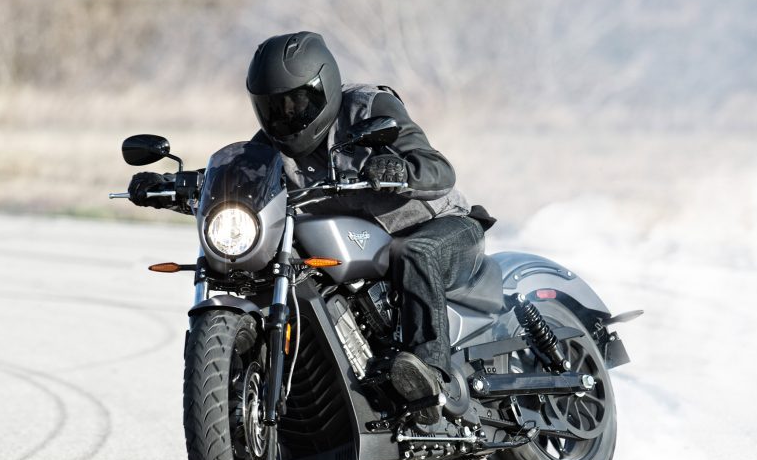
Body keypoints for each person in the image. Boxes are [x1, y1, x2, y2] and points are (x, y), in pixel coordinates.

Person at [130, 31, 492, 424]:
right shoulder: (272, 145)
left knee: (413, 252)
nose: (286, 115)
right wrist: (172, 186)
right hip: (365, 243)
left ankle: (431, 377)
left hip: (441, 225)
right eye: (273, 107)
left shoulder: (368, 107)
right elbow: (242, 182)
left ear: (325, 86)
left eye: (297, 101)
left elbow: (438, 168)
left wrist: (400, 169)